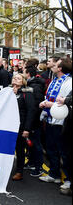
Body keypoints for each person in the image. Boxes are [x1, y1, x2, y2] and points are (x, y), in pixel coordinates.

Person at [39, 58, 72, 188]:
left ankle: (69, 179)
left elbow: (66, 101)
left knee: (64, 151)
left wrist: (50, 104)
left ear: (60, 68)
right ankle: (54, 175)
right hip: (50, 119)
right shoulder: (54, 80)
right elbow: (50, 96)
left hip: (62, 122)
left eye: (56, 64)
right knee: (51, 149)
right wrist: (45, 103)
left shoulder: (69, 82)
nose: (52, 65)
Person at [10, 73, 37, 181]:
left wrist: (27, 129)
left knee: (20, 149)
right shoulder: (7, 91)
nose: (15, 79)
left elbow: (31, 111)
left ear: (23, 81)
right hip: (8, 125)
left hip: (20, 126)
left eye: (18, 78)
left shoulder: (27, 93)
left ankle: (19, 171)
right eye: (14, 78)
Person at [23, 65, 46, 177]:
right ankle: (31, 163)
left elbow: (35, 107)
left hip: (35, 121)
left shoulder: (35, 86)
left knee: (36, 144)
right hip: (32, 120)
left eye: (23, 71)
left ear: (28, 74)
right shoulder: (32, 84)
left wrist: (32, 121)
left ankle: (39, 167)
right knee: (30, 144)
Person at [56, 91, 72, 196]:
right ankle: (69, 180)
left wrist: (65, 100)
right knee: (67, 155)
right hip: (68, 126)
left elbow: (67, 99)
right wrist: (64, 100)